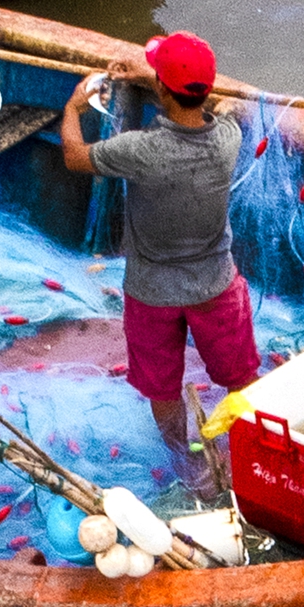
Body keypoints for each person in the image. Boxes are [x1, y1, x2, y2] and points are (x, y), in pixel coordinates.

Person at [57, 30, 258, 460]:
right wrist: (153, 77)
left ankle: (184, 458)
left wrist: (74, 106)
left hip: (153, 294)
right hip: (215, 287)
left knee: (163, 387)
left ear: (164, 89)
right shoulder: (228, 140)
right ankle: (248, 449)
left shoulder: (140, 150)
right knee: (241, 377)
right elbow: (203, 105)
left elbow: (74, 155)